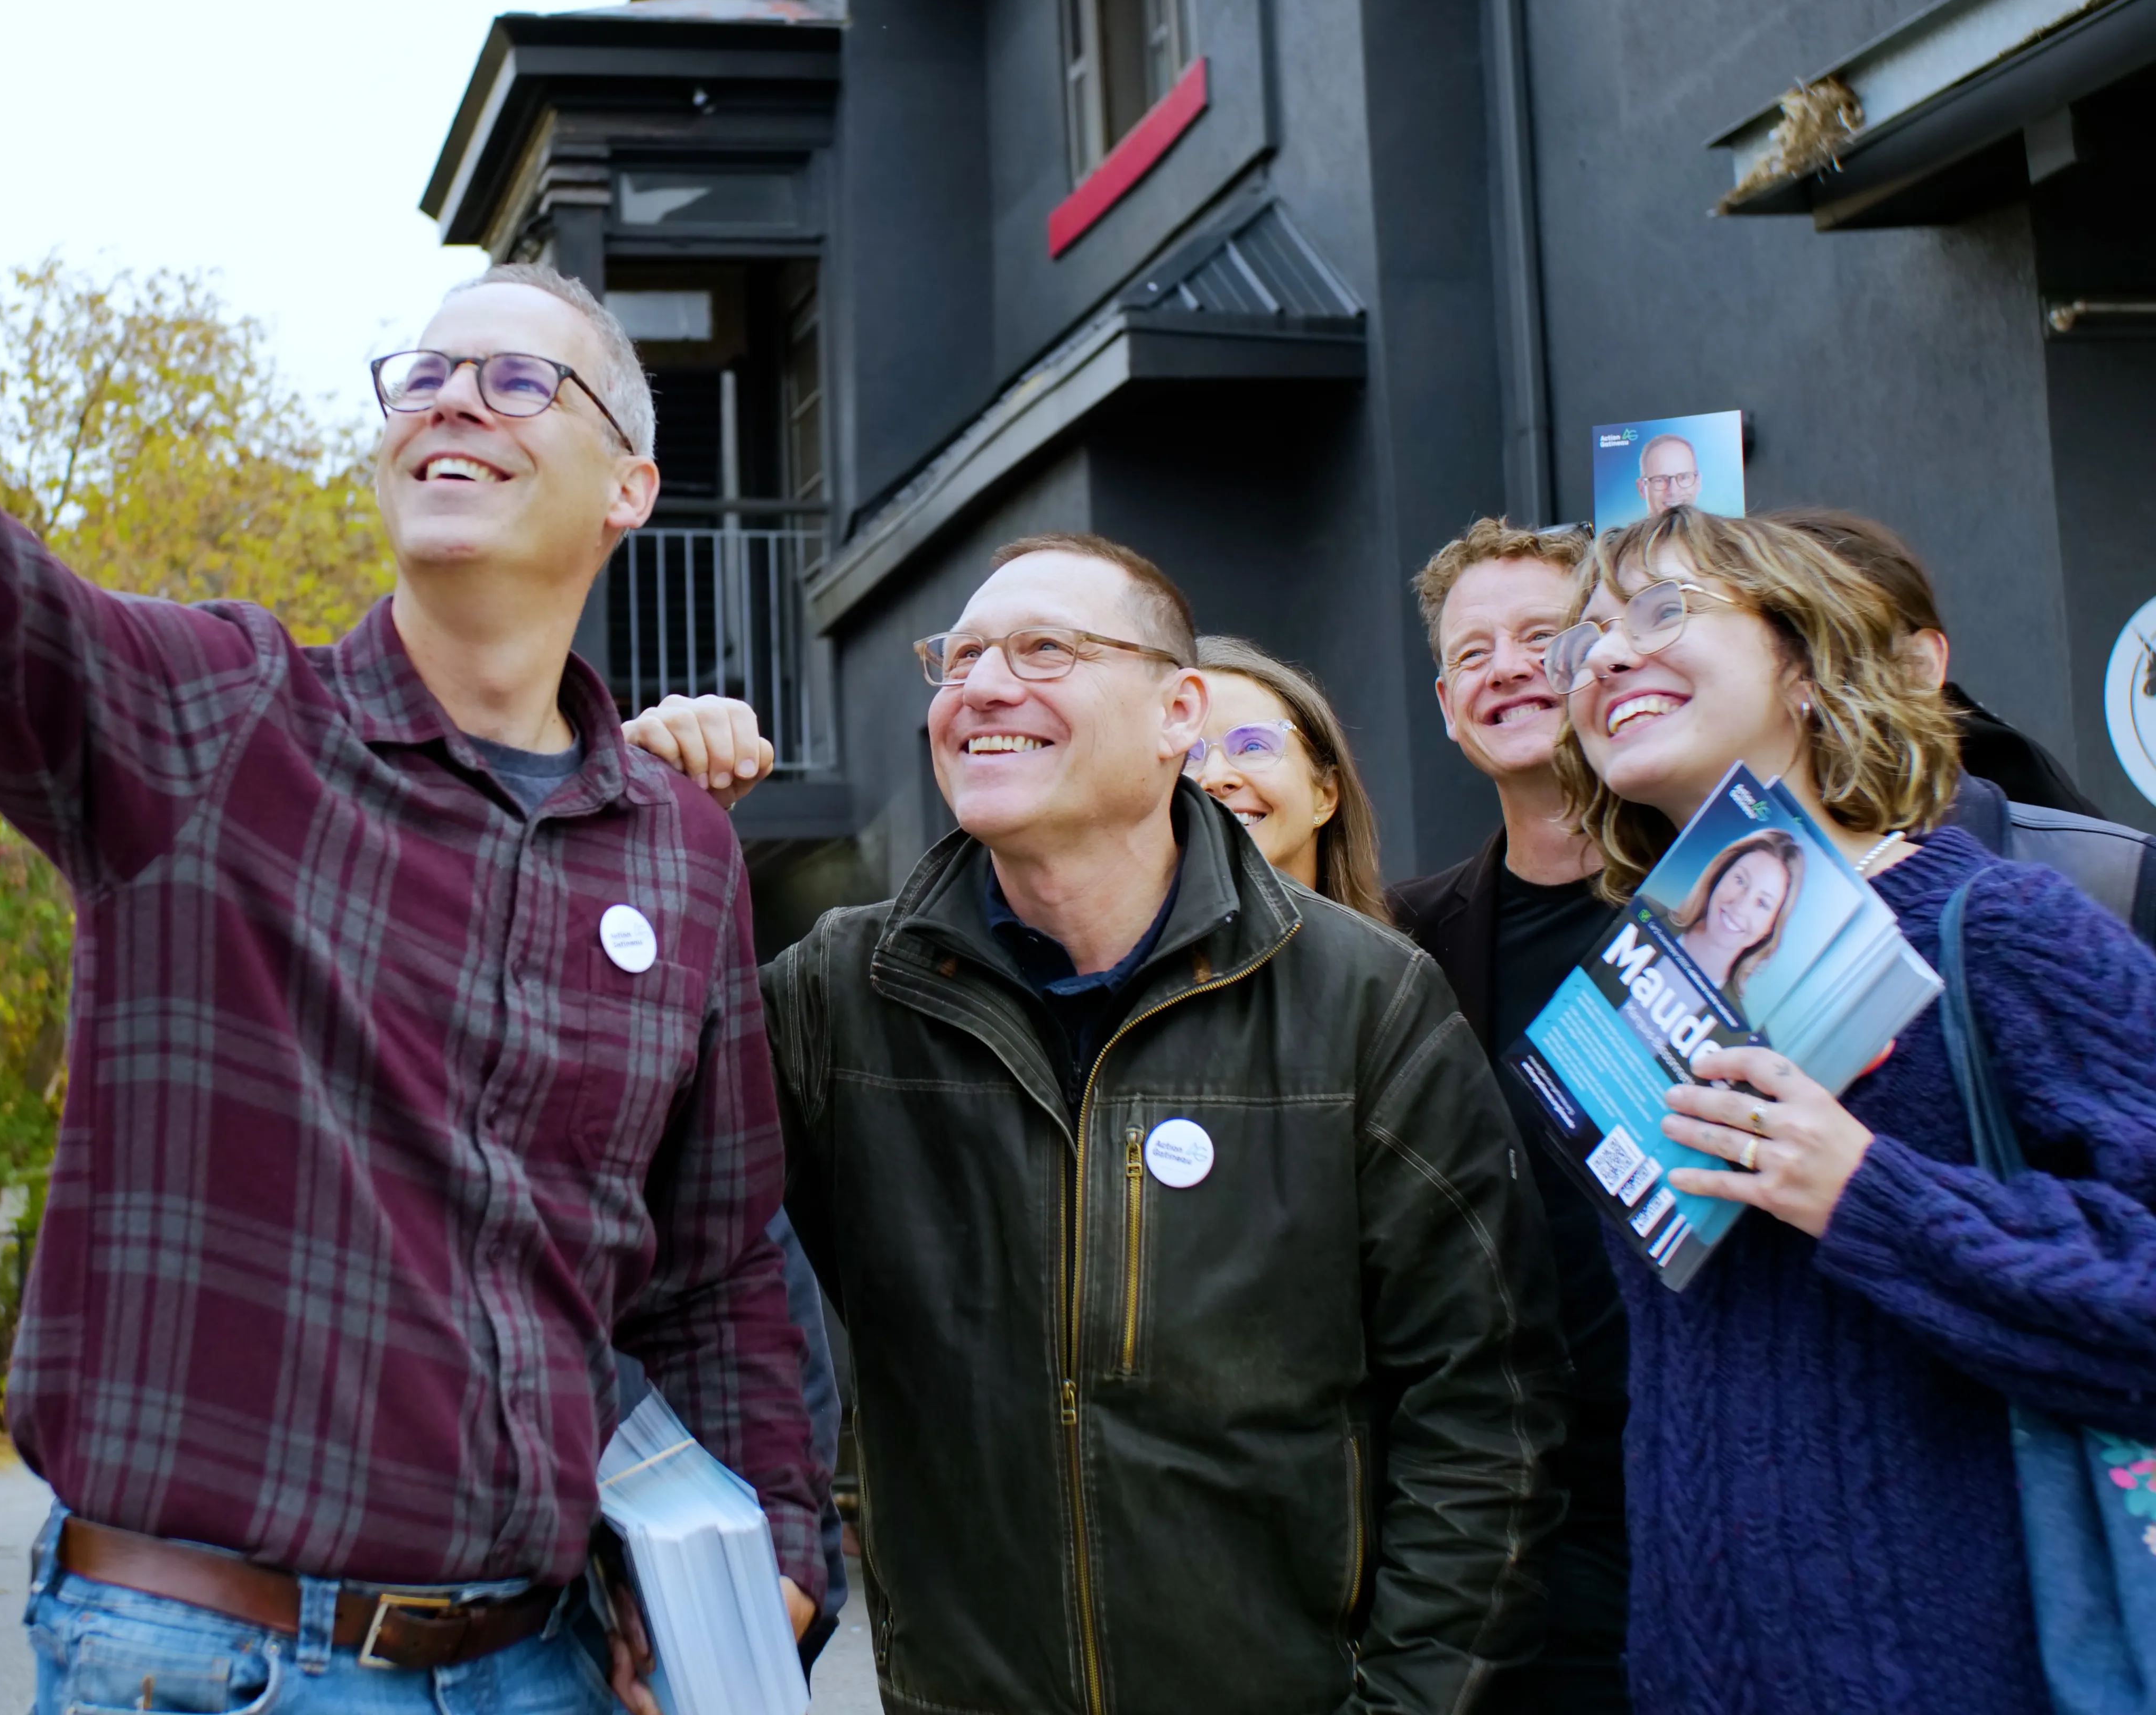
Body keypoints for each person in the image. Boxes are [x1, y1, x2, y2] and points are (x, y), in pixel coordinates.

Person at [0, 0, 824, 1715]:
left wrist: (771, 1567)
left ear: (630, 485)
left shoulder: (676, 850)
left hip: (550, 1661)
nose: (452, 399)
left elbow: (716, 1272)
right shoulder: (212, 729)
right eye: (420, 371)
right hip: (208, 1658)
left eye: (518, 373)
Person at [635, 534, 1568, 1715]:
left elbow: (1488, 1418)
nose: (981, 685)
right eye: (960, 657)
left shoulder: (1363, 999)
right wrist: (637, 845)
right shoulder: (843, 995)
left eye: (1044, 650)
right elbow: (609, 1161)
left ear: (1177, 711)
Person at [1542, 505, 2156, 1715]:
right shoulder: (1639, 981)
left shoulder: (2000, 929)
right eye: (1586, 641)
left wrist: (1868, 1193)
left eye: (1661, 610)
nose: (1603, 656)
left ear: (1809, 665)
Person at [1386, 515, 1631, 1715]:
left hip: (1718, 1477)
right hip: (1525, 1505)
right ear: (1443, 703)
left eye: (1542, 635)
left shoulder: (1740, 891)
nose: (1507, 667)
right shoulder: (1401, 942)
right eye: (1471, 651)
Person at [1772, 508, 2155, 942]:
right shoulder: (1708, 893)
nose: (1798, 684)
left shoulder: (2116, 874)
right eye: (1771, 652)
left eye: (1829, 651)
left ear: (1922, 664)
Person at [1185, 635, 1392, 921]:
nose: (1216, 777)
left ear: (1325, 795)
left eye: (1254, 747)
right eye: (1185, 756)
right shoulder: (1110, 963)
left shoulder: (1395, 965)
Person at [1659, 827, 1802, 1011]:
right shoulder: (1643, 913)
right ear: (1719, 875)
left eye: (1762, 903)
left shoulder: (1736, 1034)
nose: (1740, 907)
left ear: (1771, 927)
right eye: (1740, 881)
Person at [1633, 434, 1701, 517]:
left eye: (1684, 478)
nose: (1673, 491)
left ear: (1698, 482)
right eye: (1660, 480)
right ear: (1642, 489)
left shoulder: (1719, 529)